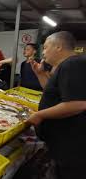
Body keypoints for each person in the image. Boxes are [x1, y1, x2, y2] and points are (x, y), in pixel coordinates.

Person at [27, 31, 86, 179]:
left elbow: (78, 104)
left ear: (58, 46)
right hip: (62, 143)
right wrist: (40, 74)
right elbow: (55, 94)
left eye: (46, 47)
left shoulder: (72, 64)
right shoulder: (66, 66)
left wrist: (40, 114)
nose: (43, 52)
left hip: (71, 146)